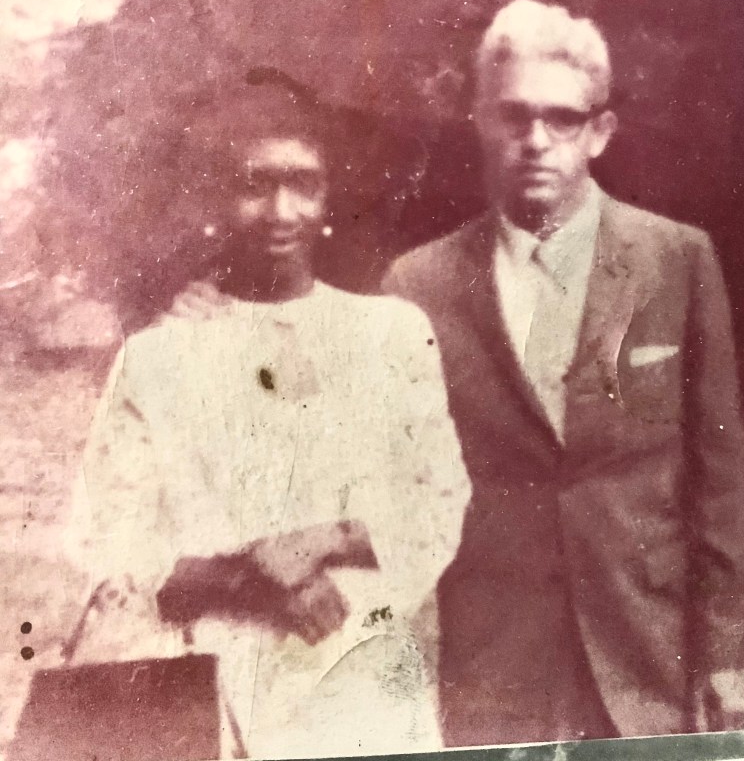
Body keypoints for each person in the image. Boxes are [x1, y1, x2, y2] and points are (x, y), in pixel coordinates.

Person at [63, 72, 470, 759]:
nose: (282, 210)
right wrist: (248, 578)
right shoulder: (158, 356)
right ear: (216, 196)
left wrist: (318, 541)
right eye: (255, 184)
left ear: (327, 195)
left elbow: (439, 507)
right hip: (212, 682)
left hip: (357, 677)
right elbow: (110, 544)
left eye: (303, 183)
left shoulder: (392, 335)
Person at [383, 0, 744, 746]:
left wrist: (724, 655)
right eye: (514, 116)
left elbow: (719, 479)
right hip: (491, 660)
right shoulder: (418, 285)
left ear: (599, 132)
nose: (536, 142)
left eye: (562, 119)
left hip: (646, 650)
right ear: (480, 120)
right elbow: (387, 480)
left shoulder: (677, 261)